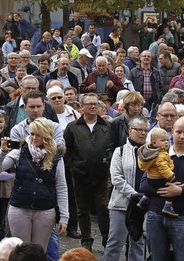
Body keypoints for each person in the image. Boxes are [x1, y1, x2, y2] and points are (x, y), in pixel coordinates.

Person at [0, 118, 68, 251]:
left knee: (39, 251)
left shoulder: (56, 155)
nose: (33, 138)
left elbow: (61, 187)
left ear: (46, 135)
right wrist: (2, 152)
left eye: (38, 134)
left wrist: (65, 216)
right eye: (32, 134)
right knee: (22, 250)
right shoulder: (20, 150)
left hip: (45, 208)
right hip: (20, 206)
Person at [141, 117, 184, 261]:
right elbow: (143, 185)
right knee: (157, 258)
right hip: (155, 215)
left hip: (182, 216)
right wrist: (164, 191)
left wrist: (181, 192)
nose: (182, 136)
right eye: (178, 132)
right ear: (172, 132)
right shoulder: (156, 154)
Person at [63, 93, 111, 251]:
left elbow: (112, 147)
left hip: (102, 175)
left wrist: (107, 163)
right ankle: (86, 240)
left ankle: (106, 238)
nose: (92, 106)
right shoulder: (73, 127)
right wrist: (73, 167)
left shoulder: (106, 126)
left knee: (103, 209)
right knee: (82, 210)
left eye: (95, 104)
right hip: (80, 175)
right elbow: (67, 150)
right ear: (82, 107)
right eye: (89, 104)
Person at [102, 117, 147, 261]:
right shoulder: (119, 151)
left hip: (143, 204)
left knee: (139, 242)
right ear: (129, 131)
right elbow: (116, 178)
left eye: (145, 130)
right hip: (121, 204)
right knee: (115, 242)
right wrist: (134, 194)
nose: (142, 133)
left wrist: (145, 197)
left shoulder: (151, 152)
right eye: (138, 130)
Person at [136, 127, 177, 216]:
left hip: (150, 178)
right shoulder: (160, 155)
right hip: (159, 179)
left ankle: (144, 200)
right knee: (173, 187)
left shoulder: (149, 152)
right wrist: (171, 175)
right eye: (163, 140)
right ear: (154, 142)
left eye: (167, 140)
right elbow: (163, 167)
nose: (166, 142)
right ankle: (168, 206)